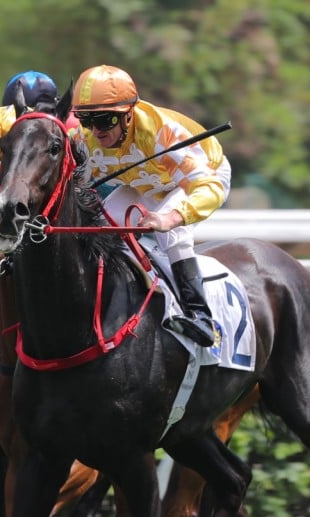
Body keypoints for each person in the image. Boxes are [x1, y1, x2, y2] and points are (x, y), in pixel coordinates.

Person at [70, 64, 230, 347]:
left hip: (196, 181)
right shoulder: (84, 140)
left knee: (171, 233)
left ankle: (200, 316)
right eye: (86, 119)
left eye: (105, 120)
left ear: (128, 114)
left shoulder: (161, 134)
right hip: (145, 184)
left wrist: (172, 217)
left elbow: (208, 187)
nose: (95, 130)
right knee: (99, 228)